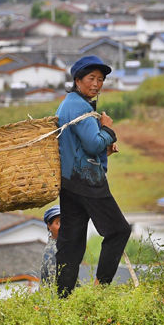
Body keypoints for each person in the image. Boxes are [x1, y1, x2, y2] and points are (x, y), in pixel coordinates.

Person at [54, 55, 131, 297]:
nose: (96, 84)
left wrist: (103, 144)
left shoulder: (68, 103)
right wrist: (108, 129)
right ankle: (101, 289)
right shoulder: (80, 106)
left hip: (69, 181)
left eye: (100, 79)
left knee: (71, 242)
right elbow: (91, 145)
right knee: (119, 231)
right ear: (77, 80)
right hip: (87, 180)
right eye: (91, 78)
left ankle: (63, 298)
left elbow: (83, 144)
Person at [39, 205, 61, 285]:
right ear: (49, 226)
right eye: (58, 223)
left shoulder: (63, 246)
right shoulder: (52, 251)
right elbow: (55, 287)